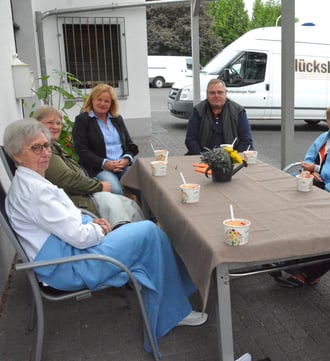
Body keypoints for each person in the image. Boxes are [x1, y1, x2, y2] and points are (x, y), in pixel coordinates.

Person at [4, 119, 207, 356]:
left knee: (148, 236)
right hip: (71, 265)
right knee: (150, 232)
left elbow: (65, 224)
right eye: (36, 148)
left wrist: (90, 222)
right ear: (17, 156)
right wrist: (101, 228)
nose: (46, 153)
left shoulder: (28, 182)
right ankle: (174, 309)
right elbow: (80, 237)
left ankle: (173, 297)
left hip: (65, 253)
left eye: (47, 146)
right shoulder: (35, 192)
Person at [272, 104, 330, 287]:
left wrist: (317, 170)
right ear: (327, 121)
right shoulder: (323, 137)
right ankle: (285, 252)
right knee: (286, 194)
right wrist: (311, 171)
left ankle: (298, 265)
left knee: (300, 204)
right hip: (315, 179)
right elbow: (309, 160)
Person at [34, 106, 144, 228]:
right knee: (117, 194)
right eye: (50, 123)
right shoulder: (45, 151)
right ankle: (128, 233)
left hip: (89, 189)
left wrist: (125, 159)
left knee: (134, 194)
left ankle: (144, 227)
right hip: (84, 194)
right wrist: (99, 182)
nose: (55, 127)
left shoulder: (53, 146)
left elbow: (130, 144)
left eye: (58, 123)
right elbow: (67, 177)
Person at [72, 84, 139, 195]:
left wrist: (126, 160)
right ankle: (121, 213)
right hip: (98, 168)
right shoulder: (83, 120)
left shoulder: (117, 119)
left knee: (141, 185)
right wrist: (104, 163)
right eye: (99, 99)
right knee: (116, 191)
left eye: (107, 101)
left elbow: (130, 145)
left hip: (121, 166)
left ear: (111, 103)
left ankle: (145, 212)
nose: (103, 104)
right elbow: (81, 149)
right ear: (92, 100)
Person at [184, 78, 253, 155]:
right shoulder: (198, 111)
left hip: (232, 159)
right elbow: (190, 140)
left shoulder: (238, 111)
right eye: (212, 93)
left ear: (225, 93)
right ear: (207, 94)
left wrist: (233, 159)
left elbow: (246, 141)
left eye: (220, 92)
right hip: (203, 157)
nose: (216, 96)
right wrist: (202, 157)